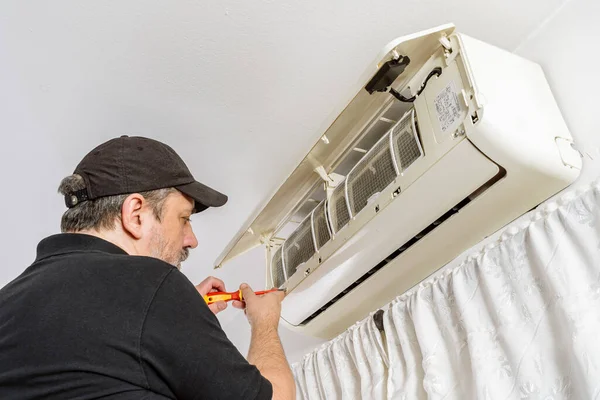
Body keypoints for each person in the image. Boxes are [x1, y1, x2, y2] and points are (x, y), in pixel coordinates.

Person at [0, 136, 295, 400]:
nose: (191, 240)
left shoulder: (8, 301)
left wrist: (167, 318)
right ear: (136, 214)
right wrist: (264, 322)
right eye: (184, 218)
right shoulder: (151, 284)